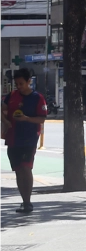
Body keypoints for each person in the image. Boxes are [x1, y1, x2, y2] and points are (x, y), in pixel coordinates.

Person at [4, 68, 48, 213]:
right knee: (18, 170)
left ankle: (28, 202)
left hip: (29, 138)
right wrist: (5, 120)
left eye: (21, 83)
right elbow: (2, 109)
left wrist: (26, 119)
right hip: (13, 137)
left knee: (26, 167)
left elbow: (41, 119)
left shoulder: (37, 97)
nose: (19, 86)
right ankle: (24, 201)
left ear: (29, 81)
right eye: (17, 84)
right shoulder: (12, 96)